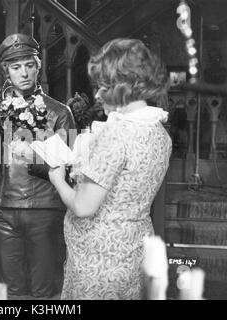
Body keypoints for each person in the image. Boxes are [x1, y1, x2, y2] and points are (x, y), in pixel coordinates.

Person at [48, 38, 172, 300]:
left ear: (123, 86)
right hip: (134, 249)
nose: (97, 95)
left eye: (103, 87)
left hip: (99, 260)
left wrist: (57, 178)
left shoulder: (116, 134)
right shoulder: (160, 131)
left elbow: (83, 207)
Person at [0, 33, 76, 298]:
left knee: (43, 290)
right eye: (16, 67)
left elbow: (69, 167)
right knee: (13, 289)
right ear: (7, 71)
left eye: (29, 65)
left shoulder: (60, 112)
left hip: (43, 209)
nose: (24, 73)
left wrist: (32, 155)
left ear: (38, 67)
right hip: (3, 208)